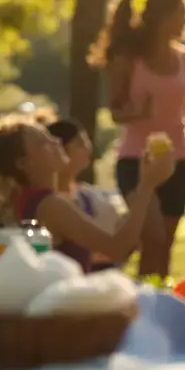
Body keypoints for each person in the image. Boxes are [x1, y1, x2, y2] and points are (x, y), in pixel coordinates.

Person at [88, 0, 185, 278]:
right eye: (182, 14)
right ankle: (142, 306)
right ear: (162, 17)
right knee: (152, 238)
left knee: (165, 244)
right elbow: (115, 111)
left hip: (179, 157)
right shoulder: (127, 60)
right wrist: (138, 112)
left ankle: (157, 303)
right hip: (135, 159)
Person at [0, 114, 173, 273]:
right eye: (43, 142)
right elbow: (118, 248)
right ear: (24, 163)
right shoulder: (50, 205)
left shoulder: (22, 201)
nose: (56, 142)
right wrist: (147, 185)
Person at [40, 116, 124, 271]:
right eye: (80, 143)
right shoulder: (49, 202)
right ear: (60, 149)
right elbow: (115, 247)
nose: (88, 147)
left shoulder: (88, 194)